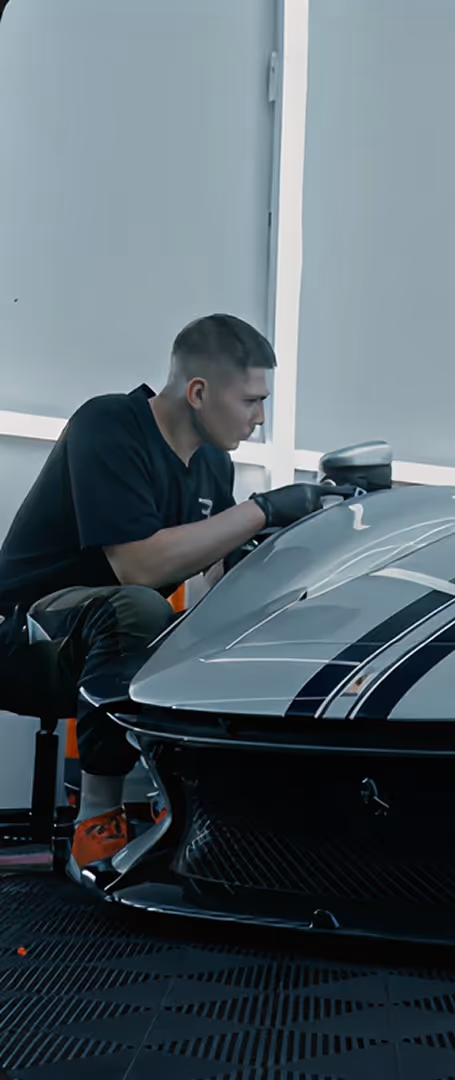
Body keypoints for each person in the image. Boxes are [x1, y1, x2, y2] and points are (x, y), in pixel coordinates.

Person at [0, 314, 342, 873]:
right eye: (252, 401)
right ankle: (97, 823)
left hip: (100, 641)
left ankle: (222, 819)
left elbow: (216, 575)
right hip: (24, 637)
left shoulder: (212, 464)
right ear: (199, 392)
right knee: (140, 608)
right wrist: (261, 510)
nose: (260, 419)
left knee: (230, 625)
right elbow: (138, 566)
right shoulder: (108, 424)